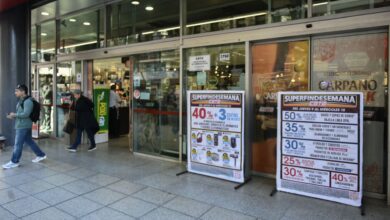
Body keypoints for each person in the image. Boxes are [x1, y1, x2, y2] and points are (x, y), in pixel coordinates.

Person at [2, 84, 47, 169]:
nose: (15, 92)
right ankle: (41, 155)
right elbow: (21, 114)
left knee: (18, 144)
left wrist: (14, 115)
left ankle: (14, 161)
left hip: (23, 126)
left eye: (17, 91)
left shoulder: (28, 101)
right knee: (29, 141)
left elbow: (26, 114)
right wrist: (12, 116)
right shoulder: (21, 100)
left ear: (23, 92)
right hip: (22, 124)